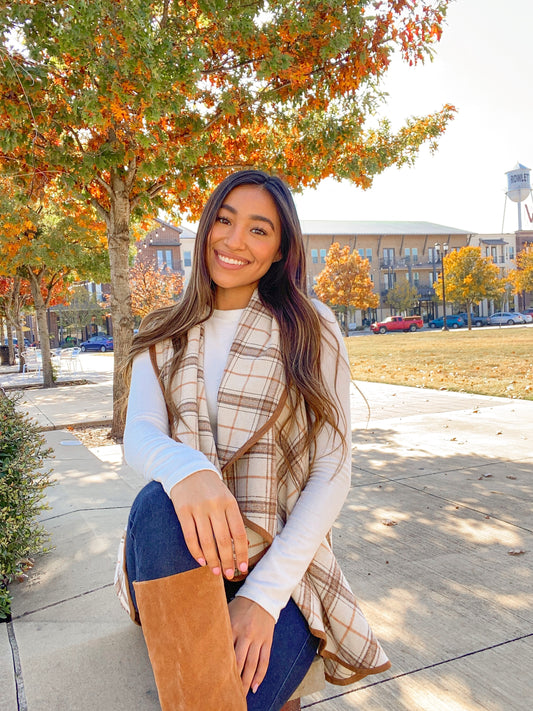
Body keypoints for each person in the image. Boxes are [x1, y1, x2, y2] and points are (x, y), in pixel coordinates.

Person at [120, 170, 390, 711]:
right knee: (157, 501)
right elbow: (139, 435)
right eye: (224, 220)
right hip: (181, 554)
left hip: (278, 562)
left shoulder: (311, 327)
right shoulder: (162, 329)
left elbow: (331, 471)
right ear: (205, 229)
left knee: (228, 692)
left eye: (258, 229)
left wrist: (261, 600)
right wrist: (188, 470)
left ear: (280, 249)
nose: (234, 240)